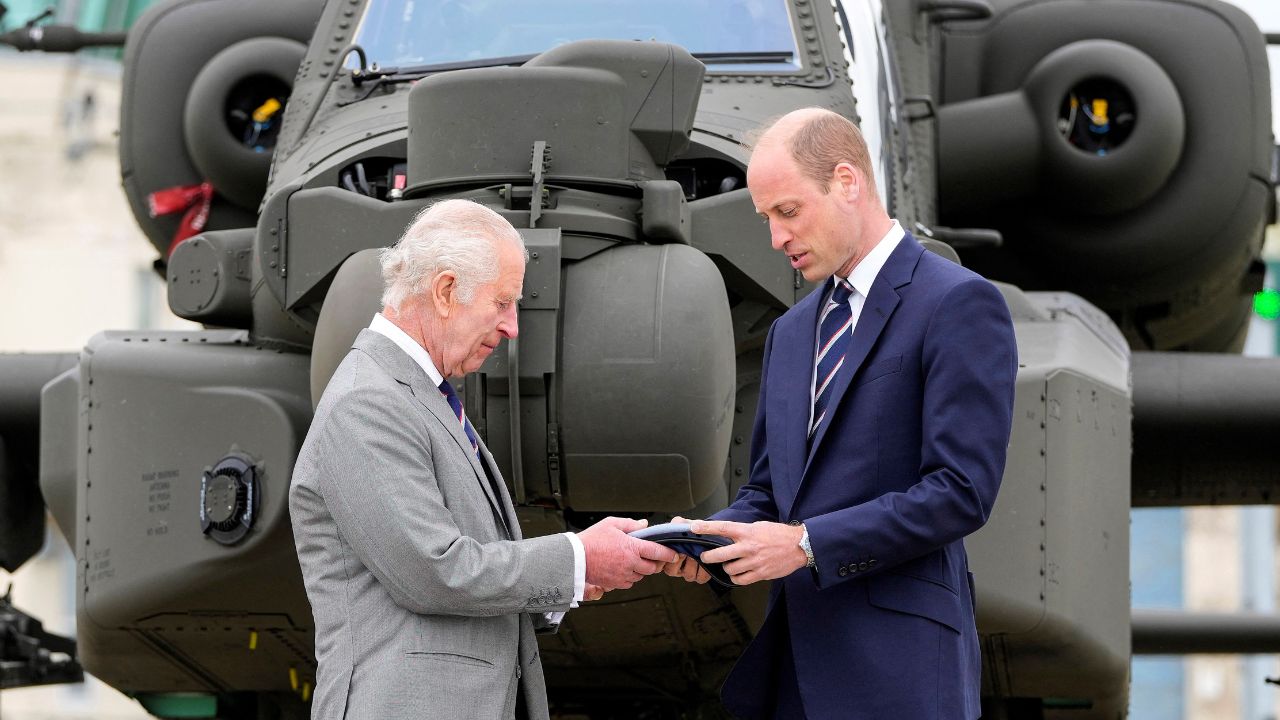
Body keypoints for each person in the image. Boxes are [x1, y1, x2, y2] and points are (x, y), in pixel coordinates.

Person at [666, 108, 1017, 718]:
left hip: (900, 672)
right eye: (766, 218)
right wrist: (707, 541)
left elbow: (961, 492)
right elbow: (771, 493)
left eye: (788, 212)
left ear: (847, 182)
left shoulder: (959, 303)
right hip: (793, 673)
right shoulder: (792, 331)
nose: (776, 238)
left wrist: (805, 547)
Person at [290, 199, 677, 720]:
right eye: (503, 302)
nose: (513, 326)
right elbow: (435, 573)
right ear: (446, 291)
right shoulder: (370, 402)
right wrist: (578, 556)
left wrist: (579, 575)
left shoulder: (417, 396)